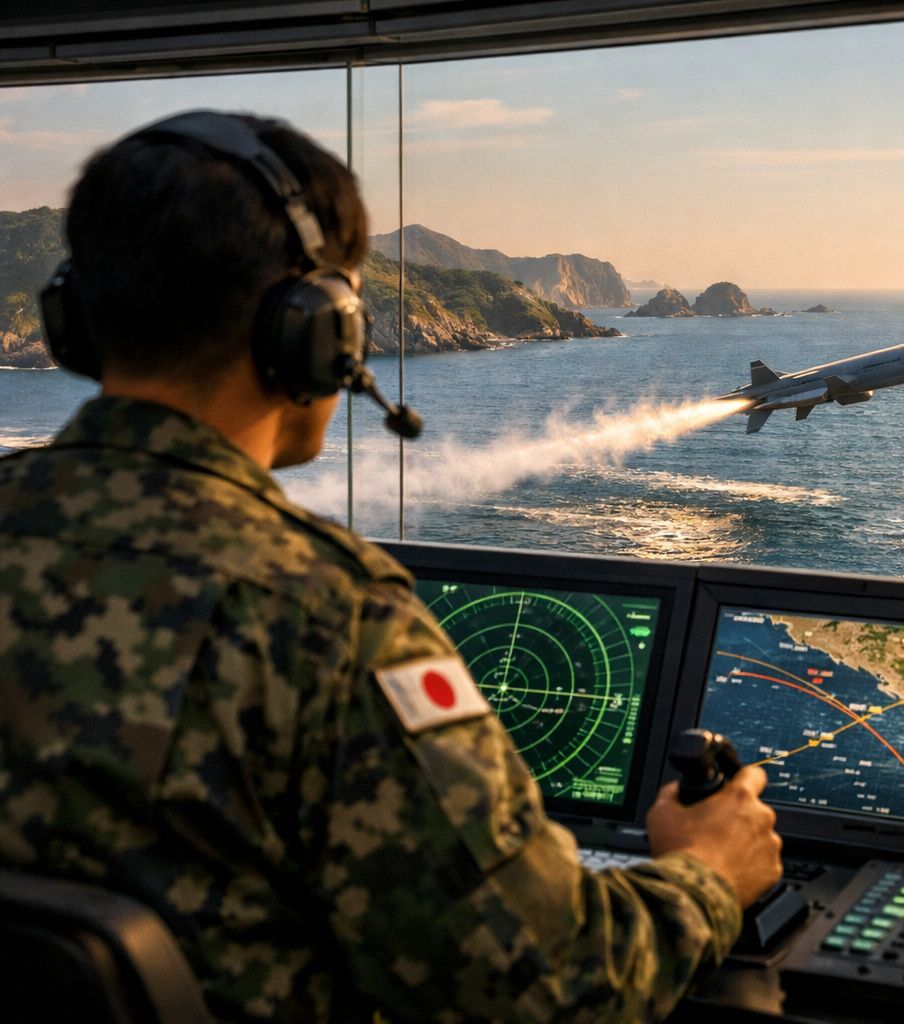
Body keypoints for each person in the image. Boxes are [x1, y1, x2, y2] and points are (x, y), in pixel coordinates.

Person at [0, 110, 783, 1022]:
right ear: (317, 334)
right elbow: (554, 985)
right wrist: (707, 874)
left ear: (73, 317)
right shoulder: (327, 618)